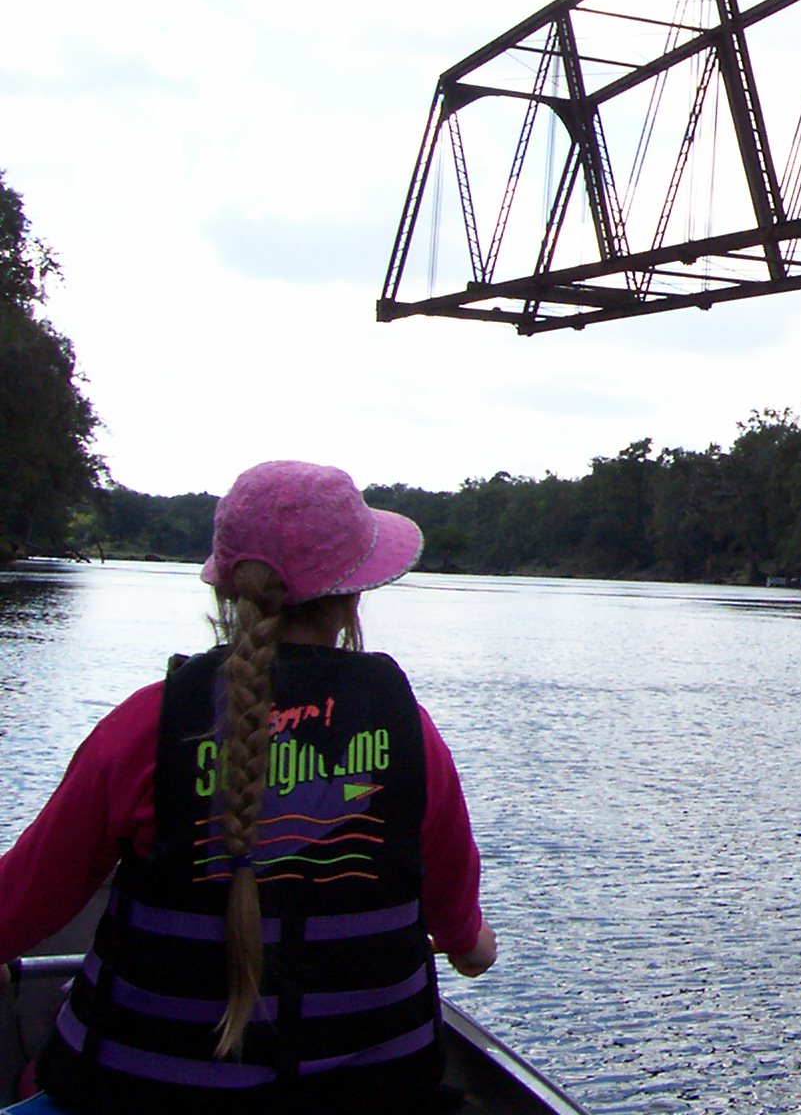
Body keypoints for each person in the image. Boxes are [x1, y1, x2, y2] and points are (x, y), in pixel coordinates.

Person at [0, 461, 497, 1113]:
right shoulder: (413, 737)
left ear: (227, 592)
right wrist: (470, 944)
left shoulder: (141, 731)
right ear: (352, 595)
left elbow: (13, 914)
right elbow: (470, 949)